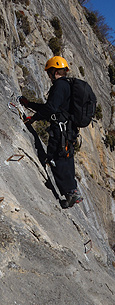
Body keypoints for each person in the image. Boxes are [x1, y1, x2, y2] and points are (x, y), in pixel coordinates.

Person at [19, 56, 82, 208]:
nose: (48, 76)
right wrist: (30, 104)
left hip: (60, 129)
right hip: (69, 129)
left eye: (49, 72)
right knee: (66, 157)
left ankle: (70, 193)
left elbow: (51, 109)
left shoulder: (59, 86)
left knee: (55, 157)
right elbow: (53, 108)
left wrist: (33, 119)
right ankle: (73, 191)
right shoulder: (68, 85)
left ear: (54, 71)